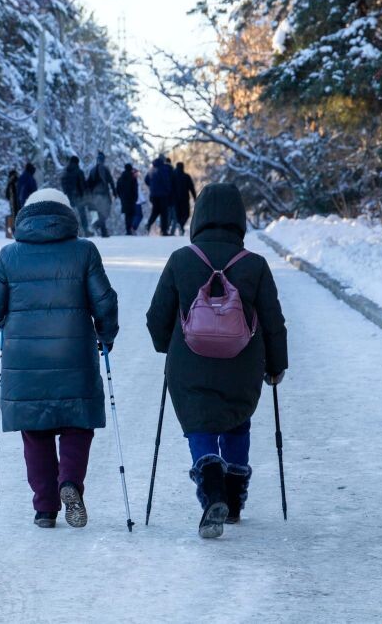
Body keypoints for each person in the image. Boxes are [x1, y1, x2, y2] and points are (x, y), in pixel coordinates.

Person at [145, 183, 288, 539]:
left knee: (200, 424)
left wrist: (167, 346)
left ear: (200, 219)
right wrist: (276, 364)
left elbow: (156, 315)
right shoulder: (254, 264)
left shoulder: (181, 259)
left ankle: (212, 490)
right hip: (243, 363)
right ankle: (235, 501)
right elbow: (273, 321)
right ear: (239, 220)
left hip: (189, 361)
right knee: (237, 420)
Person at [0, 188, 119, 529]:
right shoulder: (84, 251)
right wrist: (106, 335)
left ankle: (45, 508)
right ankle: (69, 482)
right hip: (75, 353)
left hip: (24, 359)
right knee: (77, 422)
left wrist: (8, 323)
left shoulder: (9, 256)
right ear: (66, 215)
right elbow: (105, 302)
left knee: (35, 431)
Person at [86, 151, 116, 238]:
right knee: (106, 212)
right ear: (103, 160)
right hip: (104, 195)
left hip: (95, 195)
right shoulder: (105, 169)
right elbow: (111, 181)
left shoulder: (92, 170)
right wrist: (114, 192)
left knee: (100, 213)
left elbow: (88, 184)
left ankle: (102, 231)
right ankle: (96, 227)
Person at [61, 155, 91, 235]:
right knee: (82, 215)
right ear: (77, 162)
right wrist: (84, 196)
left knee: (69, 216)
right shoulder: (79, 171)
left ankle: (68, 232)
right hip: (78, 197)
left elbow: (63, 184)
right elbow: (82, 185)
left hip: (68, 197)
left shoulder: (65, 172)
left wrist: (66, 193)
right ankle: (86, 231)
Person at [144, 157, 173, 235]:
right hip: (163, 195)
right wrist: (168, 190)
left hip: (153, 195)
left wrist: (152, 186)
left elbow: (146, 180)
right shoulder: (163, 169)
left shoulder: (151, 169)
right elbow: (166, 181)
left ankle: (148, 224)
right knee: (164, 213)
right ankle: (164, 231)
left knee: (155, 211)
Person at [172, 162, 197, 236]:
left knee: (178, 214)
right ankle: (181, 225)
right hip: (185, 198)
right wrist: (195, 197)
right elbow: (191, 187)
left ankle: (180, 225)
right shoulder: (186, 176)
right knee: (186, 214)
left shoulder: (173, 177)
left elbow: (170, 188)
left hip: (175, 199)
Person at [115, 163, 139, 235]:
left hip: (124, 199)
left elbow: (117, 189)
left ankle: (128, 229)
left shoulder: (120, 178)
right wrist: (135, 198)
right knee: (131, 214)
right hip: (131, 199)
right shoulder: (133, 178)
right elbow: (135, 189)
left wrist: (121, 197)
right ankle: (129, 229)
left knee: (127, 214)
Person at [4, 170, 20, 238]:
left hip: (14, 204)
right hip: (18, 204)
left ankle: (15, 233)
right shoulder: (18, 181)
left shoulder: (11, 183)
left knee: (15, 218)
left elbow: (7, 195)